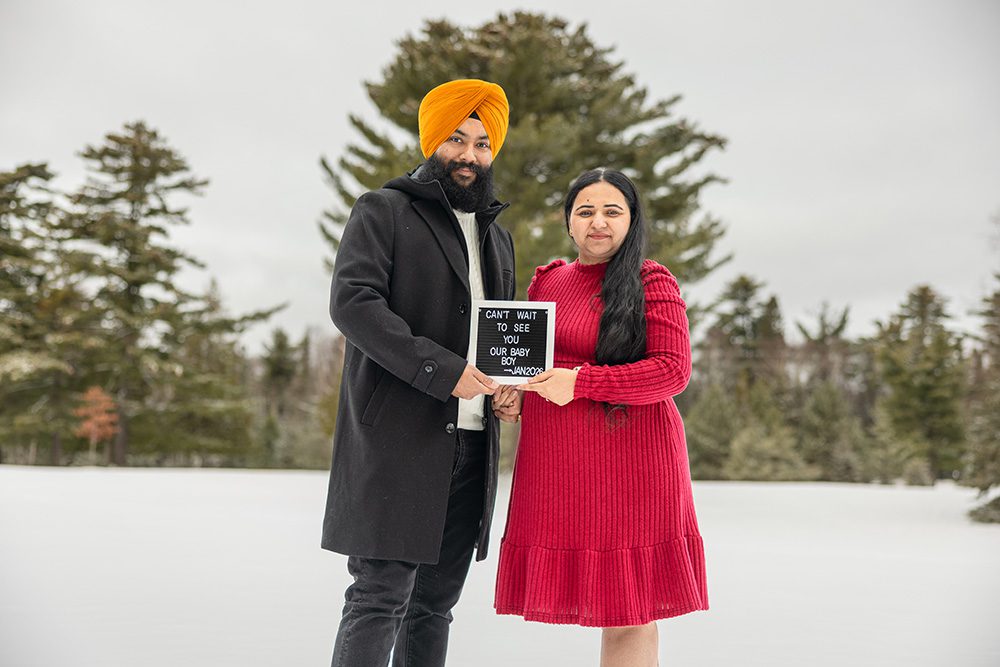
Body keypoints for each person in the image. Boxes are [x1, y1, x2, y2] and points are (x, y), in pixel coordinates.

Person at [322, 79, 515, 667]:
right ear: (433, 141)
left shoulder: (497, 237)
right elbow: (353, 304)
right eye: (457, 139)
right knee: (380, 598)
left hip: (473, 443)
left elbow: (499, 334)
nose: (469, 155)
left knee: (435, 606)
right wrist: (443, 370)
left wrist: (509, 388)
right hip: (398, 440)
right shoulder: (383, 210)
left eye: (482, 144)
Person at [492, 168, 708, 667]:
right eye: (585, 211)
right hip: (560, 467)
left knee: (629, 610)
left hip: (633, 465)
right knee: (605, 601)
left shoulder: (651, 280)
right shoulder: (548, 281)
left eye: (613, 211)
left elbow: (672, 371)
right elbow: (529, 366)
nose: (598, 223)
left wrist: (583, 382)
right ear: (569, 221)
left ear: (631, 221)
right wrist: (516, 396)